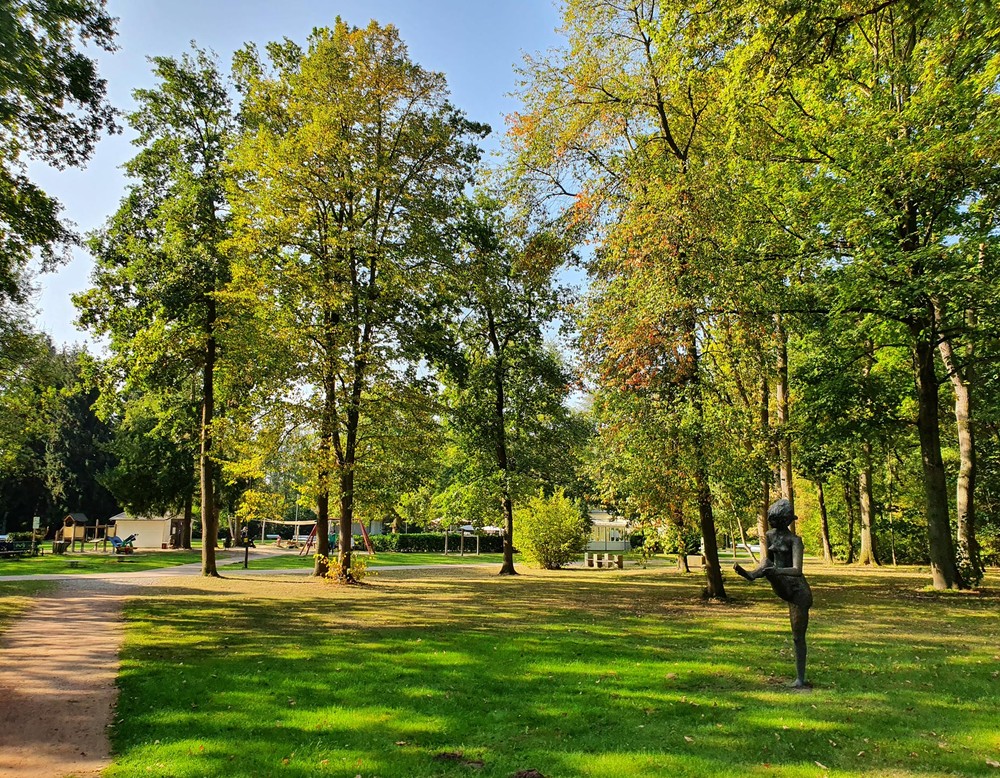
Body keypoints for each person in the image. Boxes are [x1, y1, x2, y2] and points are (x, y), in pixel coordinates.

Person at [734, 498, 813, 688]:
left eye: (778, 521)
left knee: (797, 636)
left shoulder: (795, 540)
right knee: (766, 565)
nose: (774, 525)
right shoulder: (770, 535)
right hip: (780, 582)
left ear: (786, 521)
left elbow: (797, 570)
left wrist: (776, 571)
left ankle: (800, 679)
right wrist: (766, 571)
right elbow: (766, 561)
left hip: (797, 591)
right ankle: (752, 576)